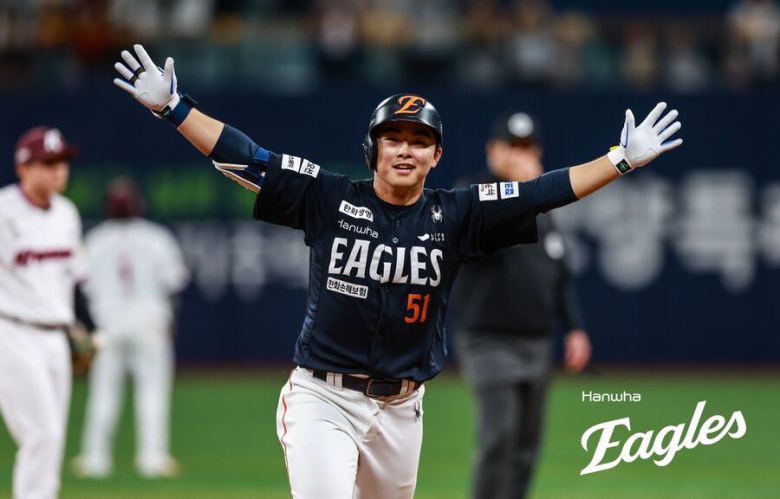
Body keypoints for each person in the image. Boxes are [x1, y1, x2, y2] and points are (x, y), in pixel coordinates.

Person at [111, 44, 683, 498]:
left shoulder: (456, 214)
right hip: (324, 398)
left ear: (437, 156)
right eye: (393, 139)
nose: (405, 150)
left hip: (402, 410)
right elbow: (249, 159)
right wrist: (173, 108)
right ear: (373, 150)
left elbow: (541, 192)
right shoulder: (330, 197)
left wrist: (620, 160)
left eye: (420, 141)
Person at [450, 112, 592, 499]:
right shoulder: (473, 195)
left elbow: (557, 272)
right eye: (512, 147)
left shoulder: (541, 210)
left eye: (527, 147)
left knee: (526, 448)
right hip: (487, 340)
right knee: (499, 437)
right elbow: (490, 242)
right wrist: (525, 194)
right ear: (492, 150)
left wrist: (574, 328)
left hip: (536, 343)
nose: (519, 155)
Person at [72, 177, 189, 479]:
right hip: (149, 323)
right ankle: (153, 460)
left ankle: (95, 460)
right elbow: (174, 285)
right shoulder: (157, 238)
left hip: (107, 326)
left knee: (103, 394)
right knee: (152, 393)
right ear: (138, 206)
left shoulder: (95, 240)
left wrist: (86, 326)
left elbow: (81, 287)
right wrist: (169, 320)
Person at [0, 126, 88, 499]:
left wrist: (85, 328)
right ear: (23, 168)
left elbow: (76, 278)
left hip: (56, 338)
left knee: (52, 438)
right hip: (13, 333)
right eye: (48, 163)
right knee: (42, 434)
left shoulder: (67, 213)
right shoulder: (4, 210)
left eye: (62, 162)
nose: (58, 171)